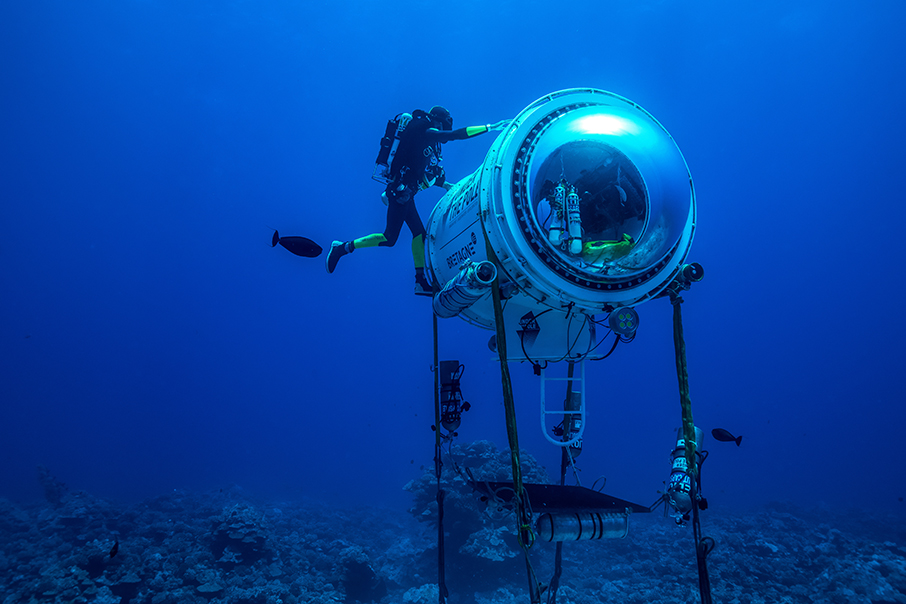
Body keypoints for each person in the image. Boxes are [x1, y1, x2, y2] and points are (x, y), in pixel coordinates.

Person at [325, 105, 509, 295]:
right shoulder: (423, 129)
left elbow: (422, 174)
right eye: (444, 123)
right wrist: (490, 127)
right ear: (439, 120)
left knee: (419, 234)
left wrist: (445, 185)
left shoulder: (426, 142)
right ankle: (342, 248)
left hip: (406, 193)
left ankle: (420, 282)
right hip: (400, 193)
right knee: (389, 238)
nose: (443, 128)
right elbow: (453, 135)